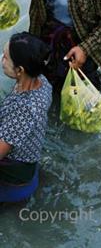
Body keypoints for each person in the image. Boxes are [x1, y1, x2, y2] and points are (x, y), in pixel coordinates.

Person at [0, 32, 52, 202]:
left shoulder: (23, 109)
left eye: (6, 58)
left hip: (14, 180)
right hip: (30, 156)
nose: (2, 60)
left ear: (20, 70)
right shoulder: (42, 82)